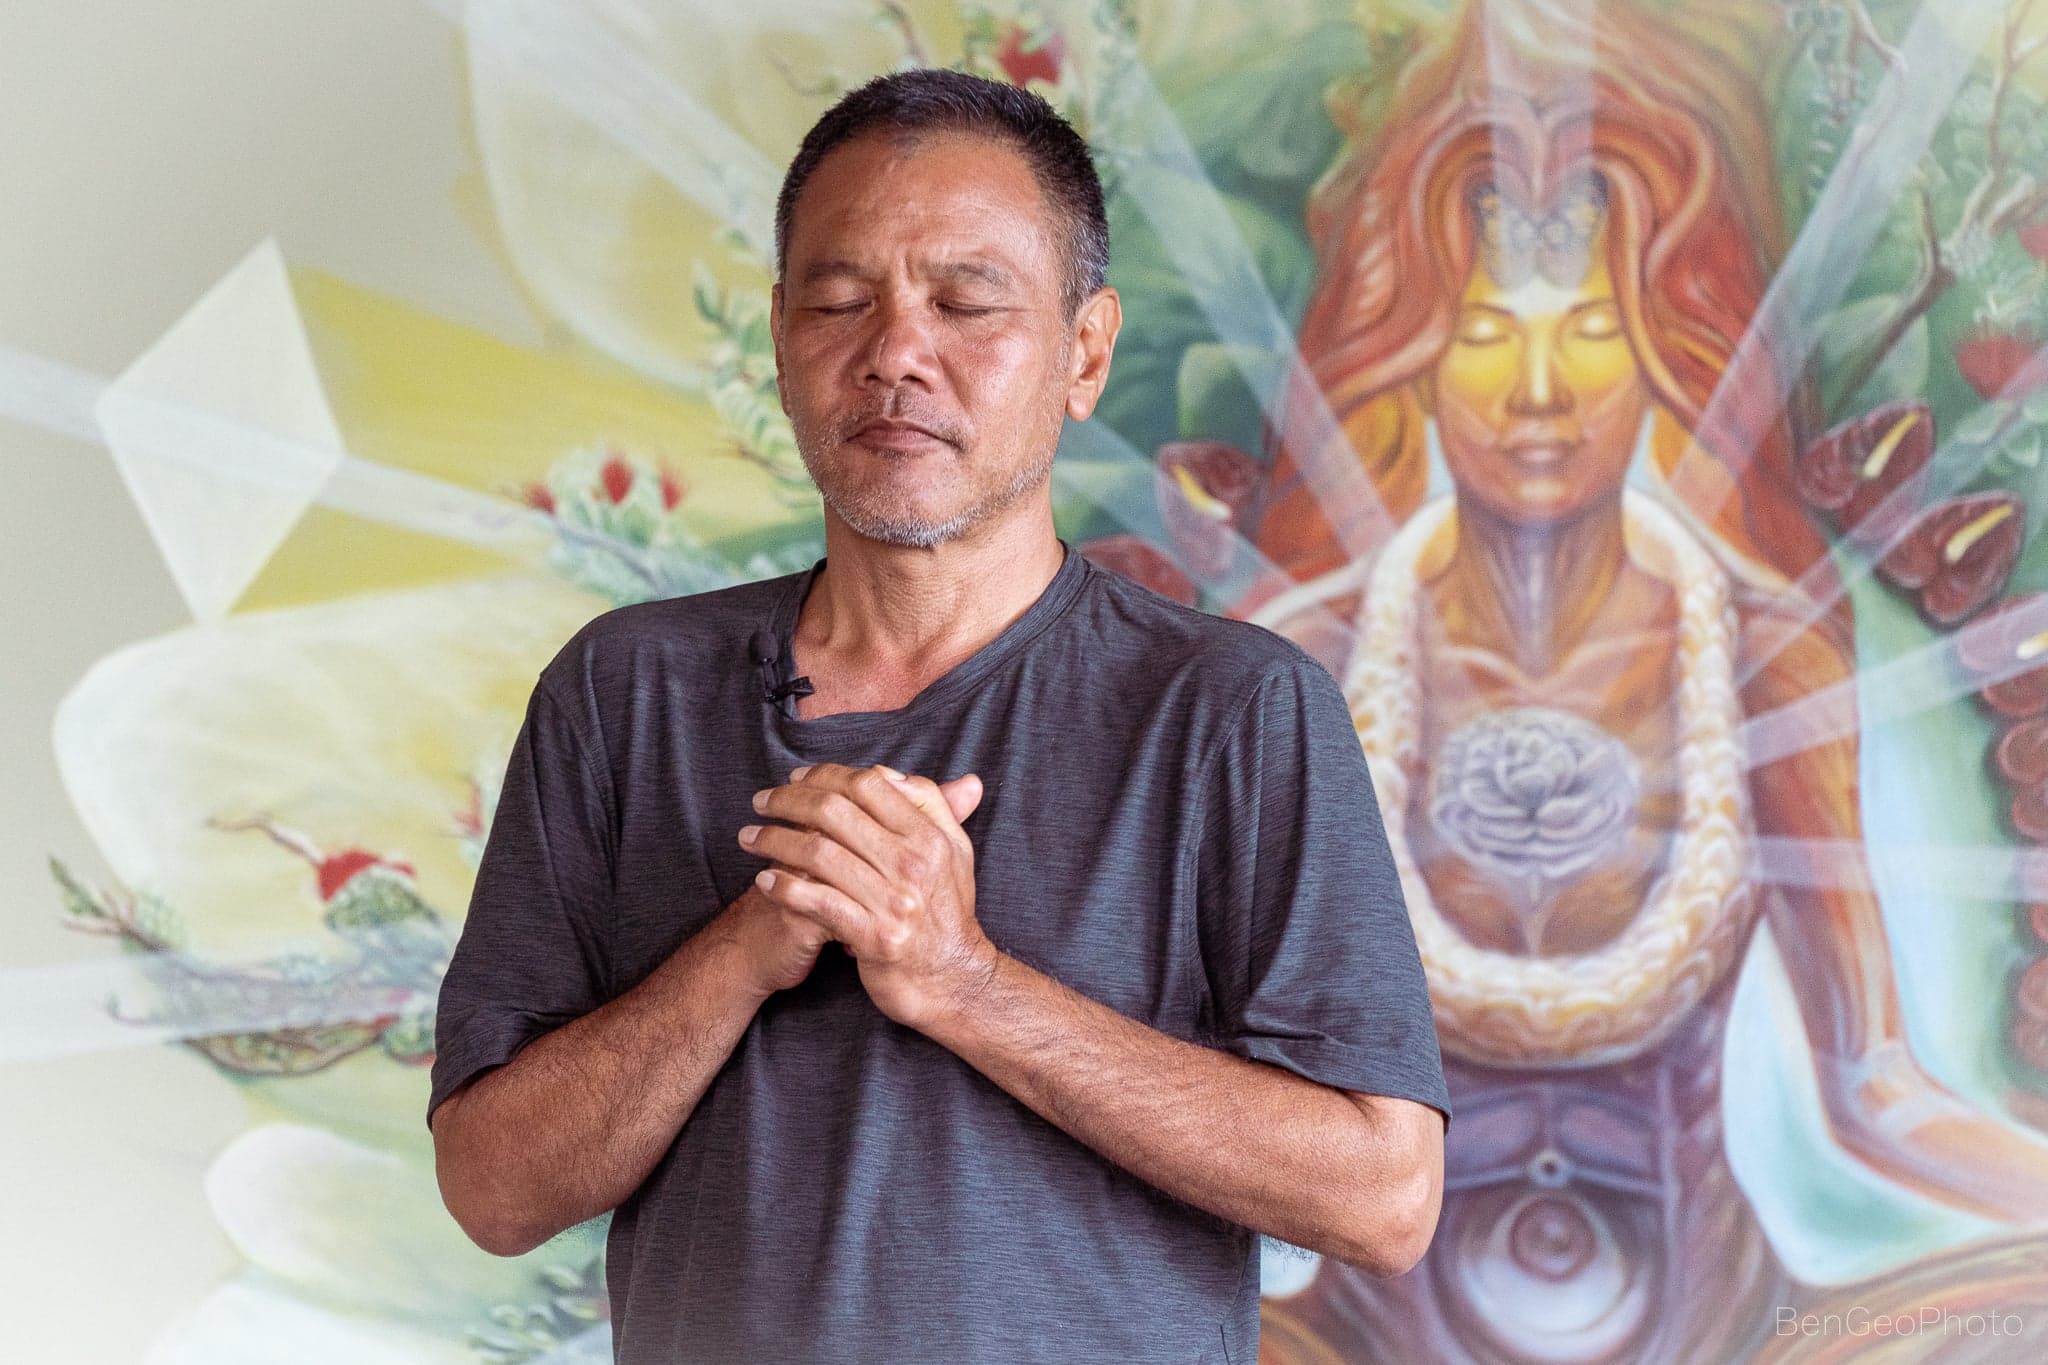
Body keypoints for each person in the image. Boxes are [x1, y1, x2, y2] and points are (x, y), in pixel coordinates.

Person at [426, 67, 1450, 1365]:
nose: (896, 353)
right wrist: (749, 943)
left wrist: (964, 982)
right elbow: (493, 1186)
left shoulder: (1229, 710)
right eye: (841, 300)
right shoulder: (626, 692)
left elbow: (1385, 1191)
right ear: (783, 341)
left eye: (968, 302)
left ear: (1086, 351)